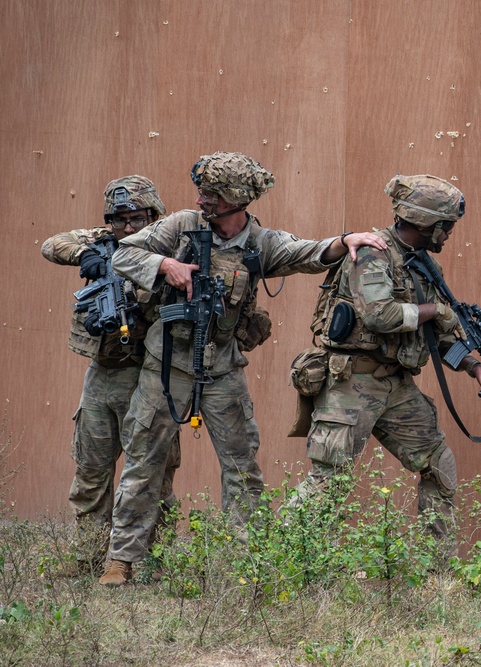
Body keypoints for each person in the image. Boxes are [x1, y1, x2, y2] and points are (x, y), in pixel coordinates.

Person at [98, 152, 386, 586]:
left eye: (211, 193)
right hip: (167, 367)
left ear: (236, 199)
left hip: (222, 370)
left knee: (241, 466)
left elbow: (305, 253)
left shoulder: (258, 243)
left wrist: (346, 241)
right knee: (143, 460)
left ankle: (246, 565)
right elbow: (123, 255)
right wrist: (165, 264)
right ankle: (121, 560)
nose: (202, 199)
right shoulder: (180, 225)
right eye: (202, 191)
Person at [288, 174, 481, 546]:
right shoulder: (373, 253)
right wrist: (436, 310)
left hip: (396, 385)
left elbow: (433, 337)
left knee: (439, 466)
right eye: (446, 226)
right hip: (352, 382)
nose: (449, 233)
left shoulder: (420, 263)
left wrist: (474, 367)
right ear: (427, 223)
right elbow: (379, 316)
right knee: (329, 481)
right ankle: (271, 569)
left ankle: (438, 574)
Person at [41, 175, 181, 576]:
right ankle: (87, 555)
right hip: (102, 373)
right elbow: (53, 243)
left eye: (136, 218)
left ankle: (155, 559)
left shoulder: (168, 247)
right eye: (119, 220)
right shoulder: (105, 239)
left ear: (154, 214)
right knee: (90, 470)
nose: (128, 228)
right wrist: (90, 255)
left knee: (152, 473)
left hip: (148, 374)